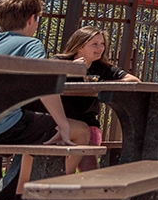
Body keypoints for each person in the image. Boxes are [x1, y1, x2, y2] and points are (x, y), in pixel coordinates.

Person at [0, 0, 75, 200]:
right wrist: (63, 123)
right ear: (31, 19)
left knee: (31, 123)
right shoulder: (30, 44)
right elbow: (44, 82)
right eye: (39, 19)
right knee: (50, 129)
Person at [54, 26, 139, 172]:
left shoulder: (102, 67)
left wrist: (102, 84)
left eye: (102, 44)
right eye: (95, 44)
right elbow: (44, 79)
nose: (100, 48)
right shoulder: (60, 61)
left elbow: (134, 80)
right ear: (80, 46)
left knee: (90, 169)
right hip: (58, 120)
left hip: (87, 121)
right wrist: (69, 69)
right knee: (55, 167)